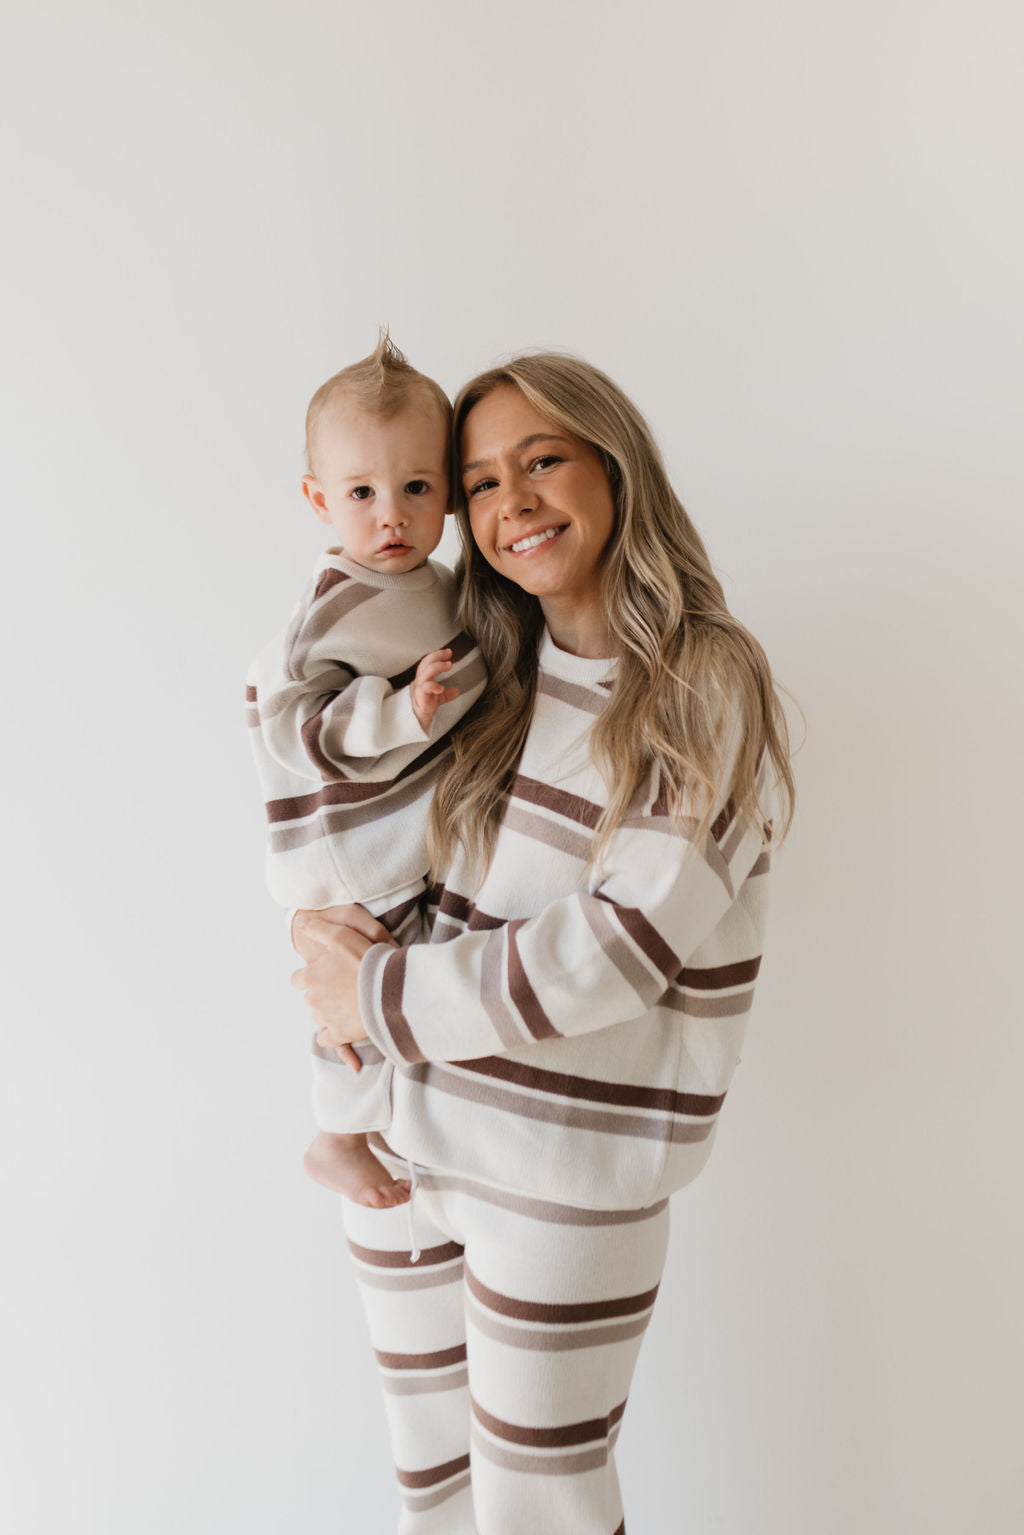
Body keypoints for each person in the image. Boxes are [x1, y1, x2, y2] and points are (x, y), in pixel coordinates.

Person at [291, 352, 795, 1535]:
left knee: (541, 1508)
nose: (511, 499)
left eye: (544, 460)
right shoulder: (481, 676)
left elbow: (619, 949)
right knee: (434, 1489)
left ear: (614, 469)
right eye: (476, 480)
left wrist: (368, 988)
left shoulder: (700, 683)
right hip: (408, 1155)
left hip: (561, 1184)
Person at [246, 334, 485, 1207]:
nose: (391, 514)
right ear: (319, 500)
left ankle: (372, 1120)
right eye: (361, 493)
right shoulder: (335, 606)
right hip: (352, 842)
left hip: (401, 823)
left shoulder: (440, 585)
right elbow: (296, 721)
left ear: (448, 494)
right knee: (370, 969)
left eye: (415, 488)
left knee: (395, 968)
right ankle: (338, 1132)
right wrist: (396, 710)